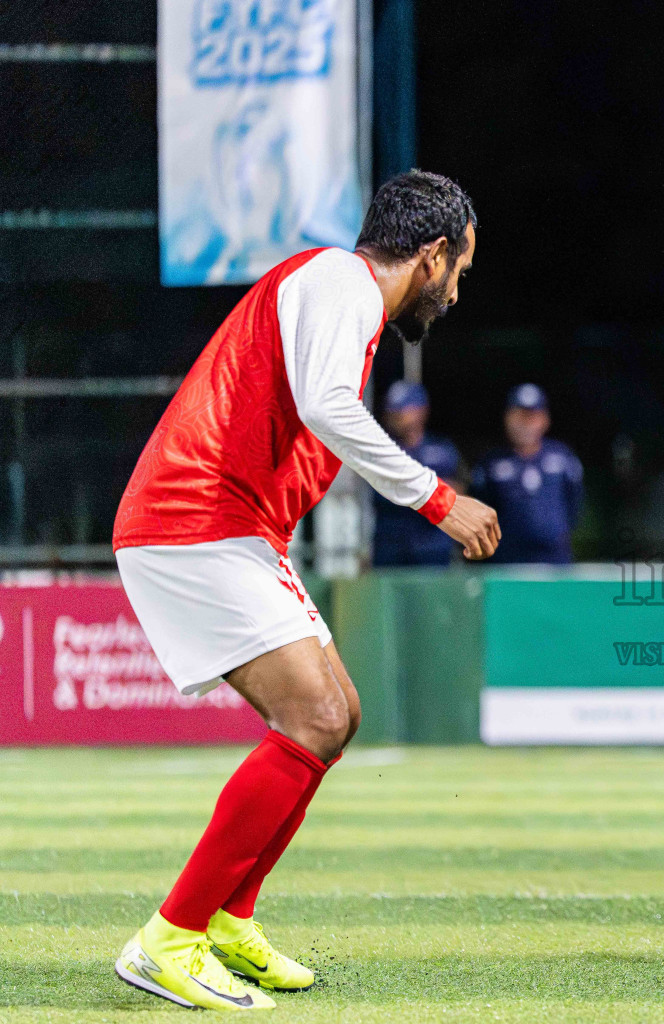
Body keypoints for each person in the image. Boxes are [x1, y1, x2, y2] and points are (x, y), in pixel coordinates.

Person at [110, 171, 500, 1010]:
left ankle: (223, 919)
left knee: (339, 716)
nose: (457, 292)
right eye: (461, 270)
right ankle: (169, 937)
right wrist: (438, 498)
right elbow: (327, 408)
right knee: (317, 717)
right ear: (430, 256)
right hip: (195, 521)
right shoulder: (339, 282)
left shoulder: (338, 296)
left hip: (234, 531)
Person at [472, 383, 583, 564]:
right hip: (507, 561)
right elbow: (480, 508)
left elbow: (574, 503)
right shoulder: (491, 463)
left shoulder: (563, 457)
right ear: (507, 418)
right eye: (519, 416)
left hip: (555, 560)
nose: (525, 424)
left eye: (532, 417)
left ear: (545, 419)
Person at [373, 381, 464, 567]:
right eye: (393, 411)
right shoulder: (380, 449)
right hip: (390, 550)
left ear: (421, 410)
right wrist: (433, 490)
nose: (397, 416)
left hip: (433, 549)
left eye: (403, 410)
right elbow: (383, 492)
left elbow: (458, 493)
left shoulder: (442, 451)